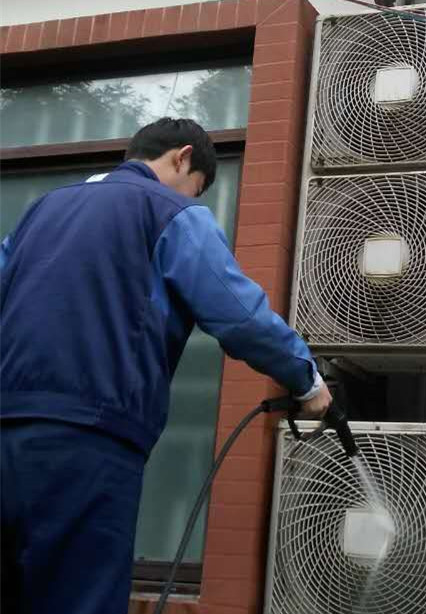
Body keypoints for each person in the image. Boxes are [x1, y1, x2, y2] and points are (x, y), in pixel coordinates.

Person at [0, 118, 332, 613]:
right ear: (182, 158)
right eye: (196, 186)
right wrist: (306, 380)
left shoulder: (41, 210)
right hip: (89, 443)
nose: (193, 197)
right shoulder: (172, 212)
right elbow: (240, 317)